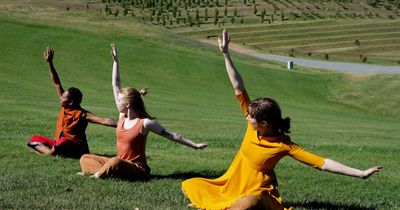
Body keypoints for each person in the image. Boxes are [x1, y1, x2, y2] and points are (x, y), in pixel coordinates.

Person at [181, 29, 383, 210]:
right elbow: (238, 86)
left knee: (248, 203)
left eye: (251, 117)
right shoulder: (252, 127)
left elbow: (322, 163)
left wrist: (361, 173)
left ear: (264, 123)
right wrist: (226, 54)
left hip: (260, 194)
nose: (247, 118)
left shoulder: (284, 146)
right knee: (191, 185)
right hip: (230, 185)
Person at [78, 43, 208, 181]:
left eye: (120, 101)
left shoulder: (144, 123)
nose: (117, 102)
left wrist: (194, 145)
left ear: (127, 104)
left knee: (115, 162)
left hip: (137, 169)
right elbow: (115, 84)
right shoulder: (122, 116)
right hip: (120, 164)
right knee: (85, 158)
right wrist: (116, 62)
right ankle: (106, 171)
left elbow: (171, 135)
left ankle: (98, 174)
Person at [27, 46, 118, 159]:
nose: (60, 98)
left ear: (70, 102)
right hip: (60, 144)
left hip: (77, 149)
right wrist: (50, 63)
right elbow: (57, 83)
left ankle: (49, 153)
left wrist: (122, 125)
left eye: (63, 97)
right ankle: (51, 152)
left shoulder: (82, 114)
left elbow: (104, 120)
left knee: (62, 142)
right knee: (34, 139)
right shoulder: (66, 106)